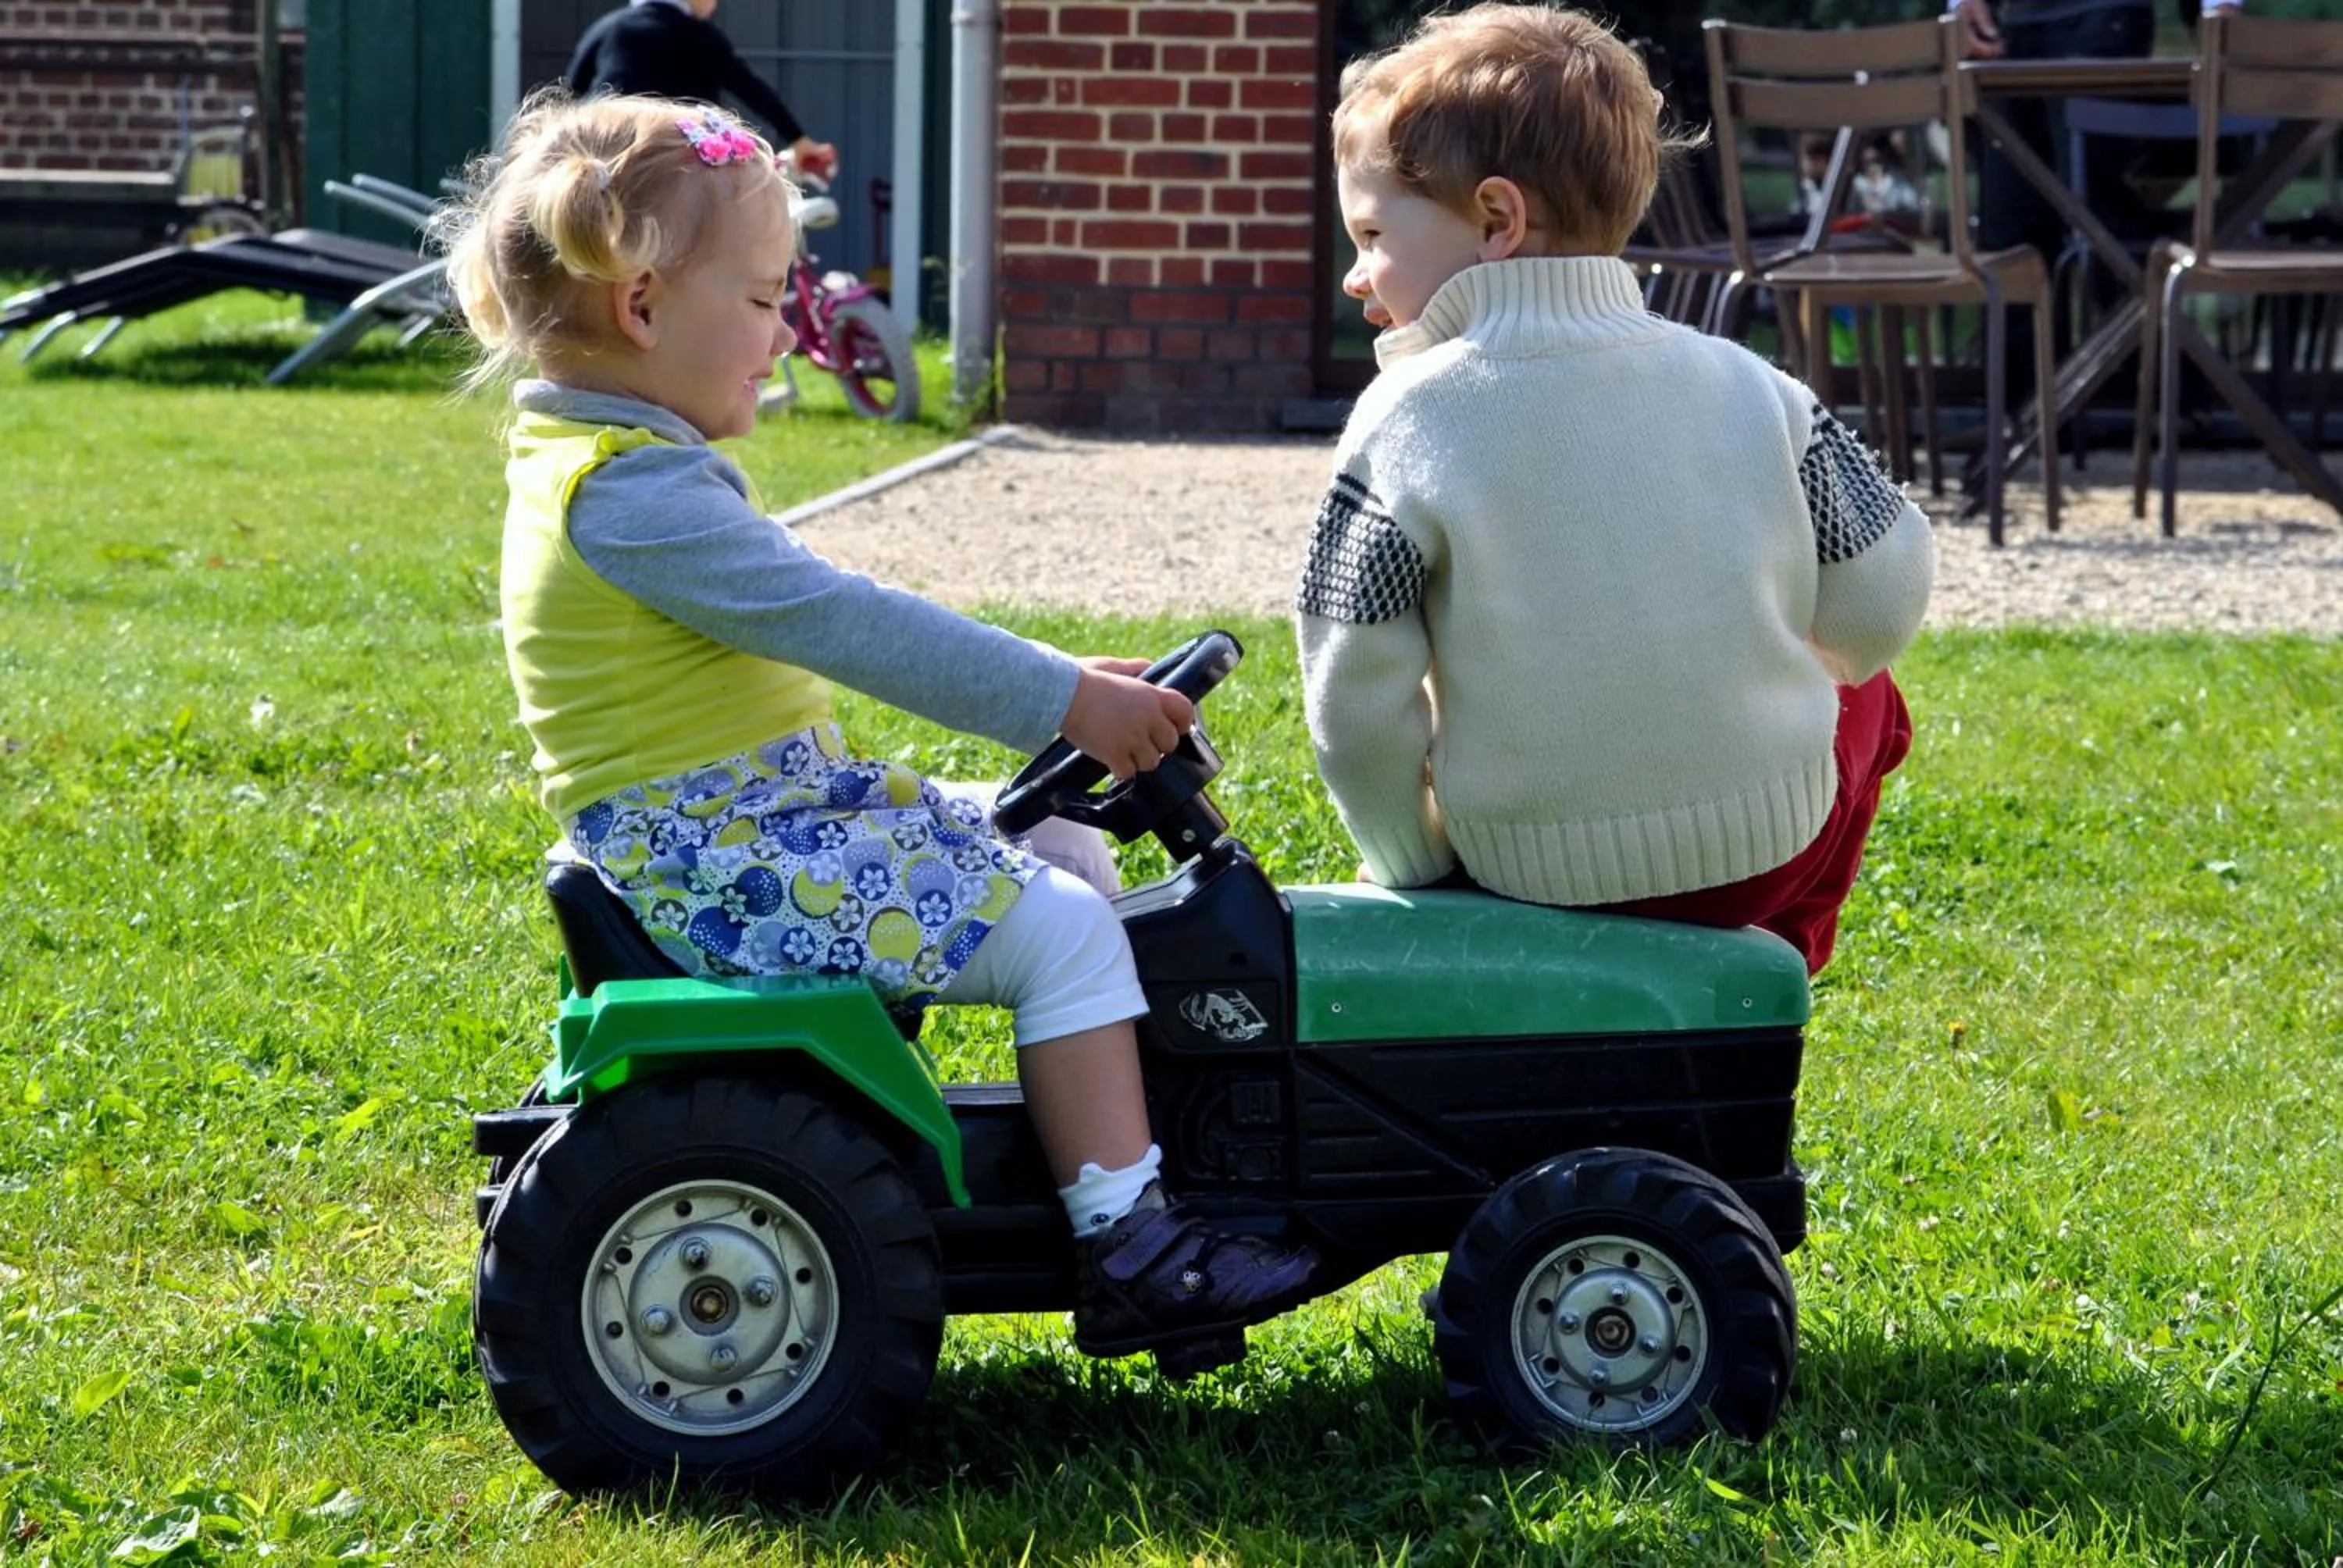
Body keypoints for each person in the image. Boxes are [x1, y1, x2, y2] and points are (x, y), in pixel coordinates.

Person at [436, 91, 1316, 1356]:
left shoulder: (622, 463)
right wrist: (1067, 699)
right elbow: (848, 623)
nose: (788, 333)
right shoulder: (633, 497)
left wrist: (1067, 677)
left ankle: (1091, 1148)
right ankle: (1136, 1245)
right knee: (1064, 932)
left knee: (1065, 848)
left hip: (757, 816)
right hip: (723, 860)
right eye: (759, 301)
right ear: (640, 309)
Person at [1300, 3, 1935, 976]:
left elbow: (1353, 695)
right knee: (1872, 695)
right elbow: (1886, 592)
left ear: (1499, 221)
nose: (1356, 275)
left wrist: (1416, 864)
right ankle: (1774, 968)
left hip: (1524, 871)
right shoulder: (1753, 386)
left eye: (1373, 233)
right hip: (1757, 854)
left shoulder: (1404, 421)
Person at [1951, 0, 2244, 407]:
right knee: (2013, 231)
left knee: (2095, 220)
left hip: (2102, 18)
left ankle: (2169, 393)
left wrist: (2218, 6)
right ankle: (2024, 416)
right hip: (2009, 27)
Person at [565, 0, 837, 181]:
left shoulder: (608, 28)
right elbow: (751, 89)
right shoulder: (699, 35)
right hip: (675, 164)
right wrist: (798, 139)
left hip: (604, 155)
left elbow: (568, 94)